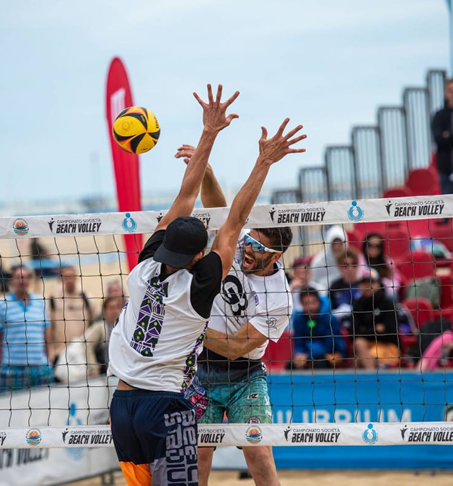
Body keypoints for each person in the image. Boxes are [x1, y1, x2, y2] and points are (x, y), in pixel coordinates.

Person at [107, 84, 305, 486]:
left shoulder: (141, 271)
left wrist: (207, 136)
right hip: (168, 402)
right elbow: (232, 220)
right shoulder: (198, 293)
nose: (244, 247)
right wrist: (263, 161)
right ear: (200, 258)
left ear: (161, 244)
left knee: (257, 459)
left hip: (123, 403)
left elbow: (186, 197)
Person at [174, 142, 296, 486]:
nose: (247, 249)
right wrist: (208, 172)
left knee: (257, 451)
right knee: (196, 452)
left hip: (245, 374)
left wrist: (189, 324)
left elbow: (234, 347)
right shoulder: (243, 243)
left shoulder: (280, 297)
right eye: (249, 241)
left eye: (257, 248)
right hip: (202, 369)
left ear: (275, 257)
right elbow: (219, 208)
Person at [0, 265, 52, 393]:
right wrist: (0, 367)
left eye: (25, 277)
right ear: (12, 281)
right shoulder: (1, 305)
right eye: (18, 277)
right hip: (12, 370)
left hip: (39, 368)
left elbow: (46, 336)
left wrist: (48, 362)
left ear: (29, 280)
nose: (21, 281)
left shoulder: (41, 302)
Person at [350, 270, 400, 369]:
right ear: (359, 286)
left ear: (378, 284)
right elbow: (354, 333)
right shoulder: (357, 304)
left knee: (360, 360)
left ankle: (372, 379)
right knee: (359, 345)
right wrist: (376, 330)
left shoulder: (387, 303)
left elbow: (391, 332)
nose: (367, 286)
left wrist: (366, 331)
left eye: (371, 282)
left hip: (387, 346)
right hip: (367, 346)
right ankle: (372, 379)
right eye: (364, 283)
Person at [48, 266, 96, 366]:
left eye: (72, 277)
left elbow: (94, 323)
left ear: (76, 278)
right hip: (60, 354)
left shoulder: (86, 298)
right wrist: (51, 354)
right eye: (66, 277)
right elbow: (49, 328)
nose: (70, 280)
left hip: (83, 353)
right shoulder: (53, 300)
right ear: (62, 279)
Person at [291, 287, 345, 369]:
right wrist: (299, 354)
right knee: (291, 366)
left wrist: (308, 356)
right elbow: (298, 342)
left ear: (319, 302)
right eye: (307, 303)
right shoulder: (298, 319)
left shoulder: (330, 319)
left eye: (313, 302)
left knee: (319, 364)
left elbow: (330, 345)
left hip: (332, 354)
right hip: (308, 355)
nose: (311, 307)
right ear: (302, 304)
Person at [309, 225, 347, 290]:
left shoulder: (351, 261)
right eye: (334, 244)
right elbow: (312, 283)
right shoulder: (318, 262)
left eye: (340, 244)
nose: (337, 247)